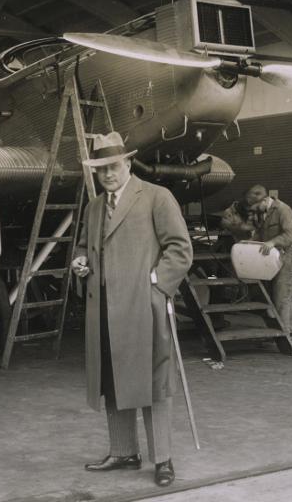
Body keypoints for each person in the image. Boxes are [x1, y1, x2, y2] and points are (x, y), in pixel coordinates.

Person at [71, 132, 192, 488]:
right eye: (101, 169)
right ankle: (124, 452)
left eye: (113, 166)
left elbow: (180, 249)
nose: (108, 174)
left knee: (154, 383)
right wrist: (80, 260)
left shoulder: (156, 197)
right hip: (104, 311)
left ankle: (163, 459)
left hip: (143, 309)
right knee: (113, 380)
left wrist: (156, 286)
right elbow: (84, 245)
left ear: (127, 163)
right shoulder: (94, 207)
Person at [245, 184, 292, 334]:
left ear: (264, 200)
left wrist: (273, 242)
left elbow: (291, 235)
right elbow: (260, 234)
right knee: (278, 296)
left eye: (256, 207)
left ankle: (284, 335)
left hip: (285, 255)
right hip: (271, 258)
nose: (255, 211)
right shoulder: (263, 212)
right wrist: (248, 243)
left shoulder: (283, 210)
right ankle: (289, 330)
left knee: (281, 296)